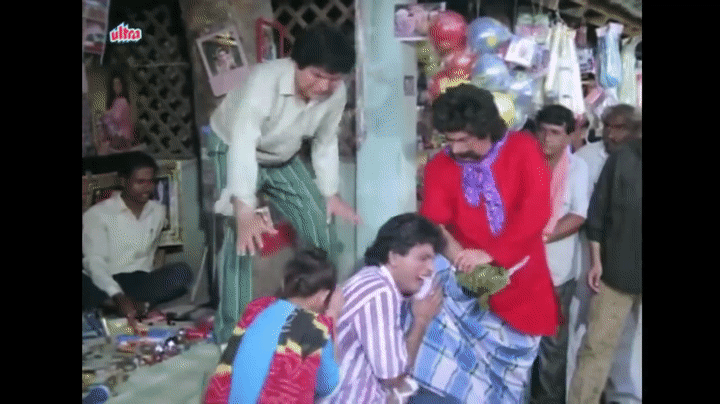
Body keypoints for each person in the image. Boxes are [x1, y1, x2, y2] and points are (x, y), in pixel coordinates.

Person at [208, 23, 361, 344]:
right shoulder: (264, 82)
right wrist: (243, 207)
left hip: (283, 156)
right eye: (316, 75)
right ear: (296, 64)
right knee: (242, 238)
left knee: (322, 229)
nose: (324, 86)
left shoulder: (335, 93)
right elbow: (244, 143)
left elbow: (325, 142)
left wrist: (330, 193)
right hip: (233, 145)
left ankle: (324, 316)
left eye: (334, 79)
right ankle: (231, 335)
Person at [413, 84, 560, 403]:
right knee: (452, 384)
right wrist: (462, 259)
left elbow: (537, 211)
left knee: (510, 387)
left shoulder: (523, 148)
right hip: (465, 291)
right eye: (450, 140)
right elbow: (434, 224)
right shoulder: (440, 166)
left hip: (523, 286)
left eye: (464, 139)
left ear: (488, 129)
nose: (456, 149)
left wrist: (490, 255)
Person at [325, 213, 445, 403]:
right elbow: (393, 377)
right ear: (394, 257)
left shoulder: (375, 280)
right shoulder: (379, 292)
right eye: (423, 258)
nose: (430, 268)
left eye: (431, 260)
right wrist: (421, 321)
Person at [568, 104, 642, 404]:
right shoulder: (622, 160)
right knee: (597, 346)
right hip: (616, 270)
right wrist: (596, 262)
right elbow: (597, 214)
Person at [203, 248, 344, 404]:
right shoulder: (314, 327)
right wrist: (333, 315)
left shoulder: (256, 310)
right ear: (324, 295)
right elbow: (329, 387)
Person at [82, 152, 193, 329]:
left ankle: (121, 305)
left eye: (151, 181)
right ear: (123, 181)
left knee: (181, 272)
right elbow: (95, 264)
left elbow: (150, 258)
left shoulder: (158, 212)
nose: (147, 188)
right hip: (104, 281)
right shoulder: (97, 215)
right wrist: (117, 295)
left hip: (139, 282)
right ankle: (124, 304)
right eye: (140, 182)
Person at [530, 105, 589, 404]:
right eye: (542, 131)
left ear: (568, 136)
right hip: (520, 270)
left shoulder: (578, 168)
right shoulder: (524, 163)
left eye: (554, 133)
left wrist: (541, 237)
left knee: (552, 347)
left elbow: (578, 215)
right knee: (520, 341)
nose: (546, 138)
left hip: (557, 273)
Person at [98, 72, 135, 154]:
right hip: (118, 136)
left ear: (122, 85)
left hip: (121, 136)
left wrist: (107, 114)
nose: (116, 87)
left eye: (118, 84)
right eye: (114, 85)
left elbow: (116, 118)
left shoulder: (122, 100)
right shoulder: (116, 100)